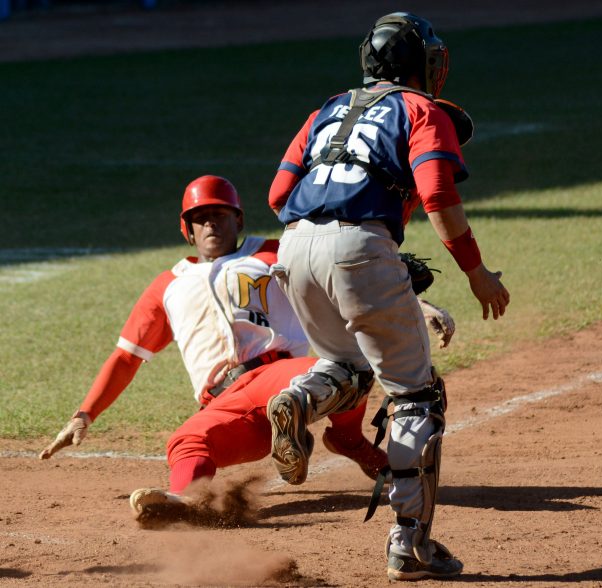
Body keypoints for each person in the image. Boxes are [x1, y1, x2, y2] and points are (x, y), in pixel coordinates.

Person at [39, 175, 449, 514]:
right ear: (187, 228)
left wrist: (417, 304)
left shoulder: (275, 254)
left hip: (282, 374)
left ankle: (347, 438)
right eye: (200, 218)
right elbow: (127, 357)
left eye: (220, 214)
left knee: (338, 366)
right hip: (226, 402)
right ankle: (189, 503)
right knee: (185, 442)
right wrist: (84, 414)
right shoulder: (167, 286)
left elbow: (342, 283)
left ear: (239, 220)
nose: (211, 224)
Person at [266, 12, 510, 581]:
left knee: (345, 364)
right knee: (417, 397)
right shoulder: (423, 110)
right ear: (420, 64)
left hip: (294, 248)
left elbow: (280, 193)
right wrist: (475, 272)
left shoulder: (328, 108)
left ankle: (301, 401)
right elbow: (438, 195)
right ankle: (411, 545)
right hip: (358, 247)